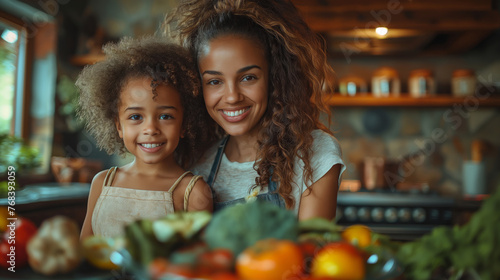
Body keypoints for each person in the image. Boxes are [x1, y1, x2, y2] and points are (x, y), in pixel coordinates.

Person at [164, 0, 345, 220]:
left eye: (248, 78)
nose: (232, 97)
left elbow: (312, 249)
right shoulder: (197, 165)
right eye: (214, 81)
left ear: (274, 78)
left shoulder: (312, 153)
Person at [77, 37, 213, 239]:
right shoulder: (103, 183)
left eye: (165, 116)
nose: (150, 129)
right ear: (118, 126)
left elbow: (194, 263)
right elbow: (84, 251)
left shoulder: (191, 192)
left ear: (184, 124)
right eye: (135, 117)